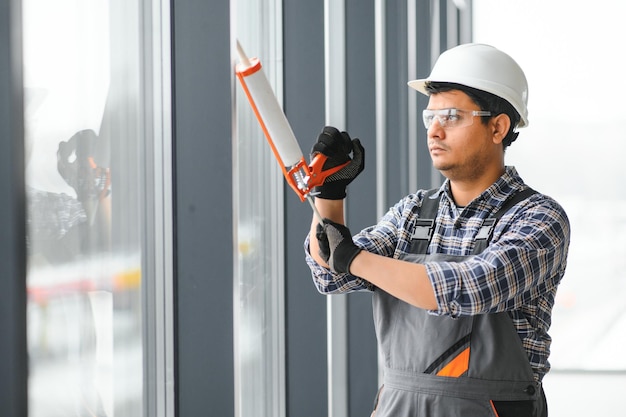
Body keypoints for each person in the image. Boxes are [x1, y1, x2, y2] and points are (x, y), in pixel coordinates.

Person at [305, 43, 570, 417]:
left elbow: (467, 287)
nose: (435, 131)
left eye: (450, 117)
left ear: (497, 127)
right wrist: (329, 195)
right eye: (430, 118)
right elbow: (331, 273)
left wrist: (353, 258)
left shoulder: (537, 218)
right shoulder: (413, 212)